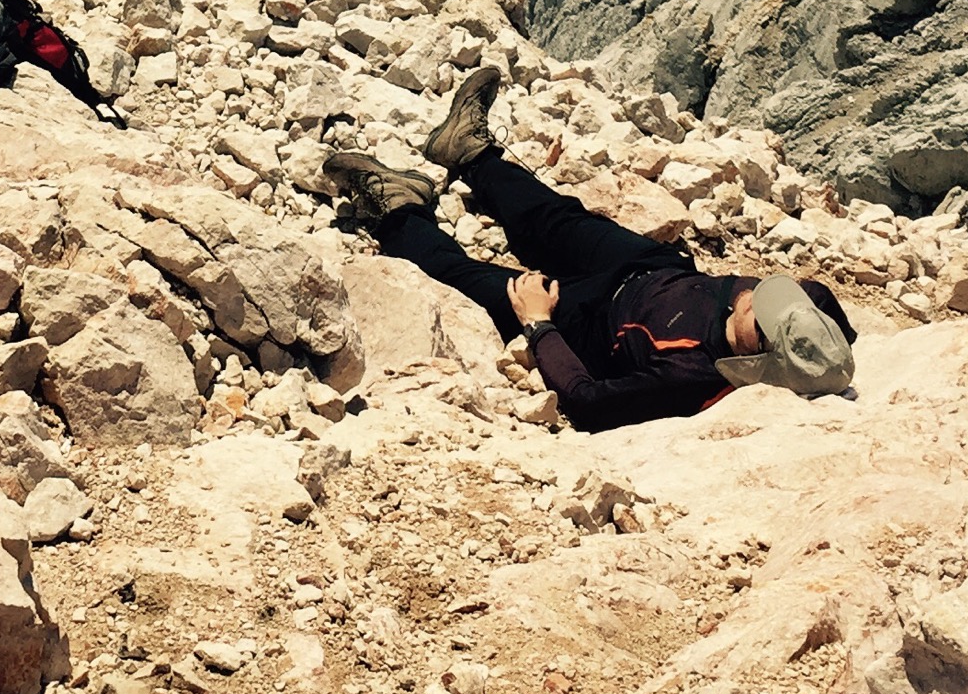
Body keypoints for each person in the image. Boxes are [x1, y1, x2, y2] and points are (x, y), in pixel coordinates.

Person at [321, 68, 854, 432]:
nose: (756, 294)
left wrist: (540, 326)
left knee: (464, 279)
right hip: (649, 269)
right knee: (549, 217)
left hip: (585, 320)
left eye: (756, 314)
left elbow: (587, 402)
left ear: (752, 359)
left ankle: (394, 207)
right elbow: (827, 316)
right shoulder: (806, 316)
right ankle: (468, 154)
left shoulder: (688, 378)